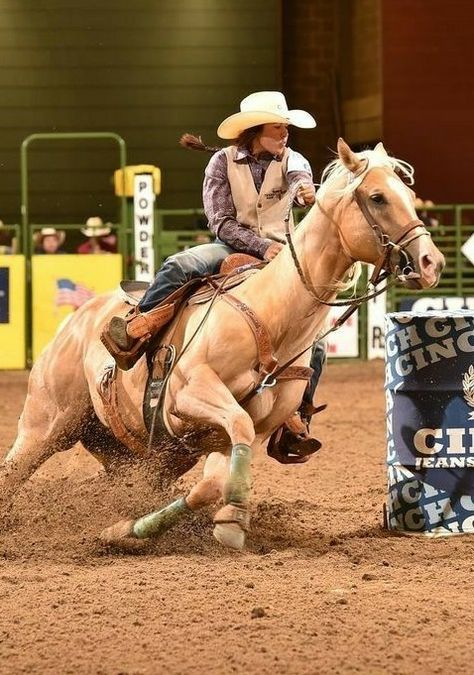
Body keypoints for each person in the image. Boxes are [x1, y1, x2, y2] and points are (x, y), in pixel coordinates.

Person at [103, 91, 325, 451]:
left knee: (314, 331)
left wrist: (305, 194)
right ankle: (138, 326)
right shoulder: (221, 163)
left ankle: (297, 414)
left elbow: (301, 181)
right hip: (234, 245)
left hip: (283, 254)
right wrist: (261, 247)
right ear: (256, 129)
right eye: (277, 127)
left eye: (286, 128)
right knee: (181, 264)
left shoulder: (292, 160)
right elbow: (220, 222)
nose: (285, 134)